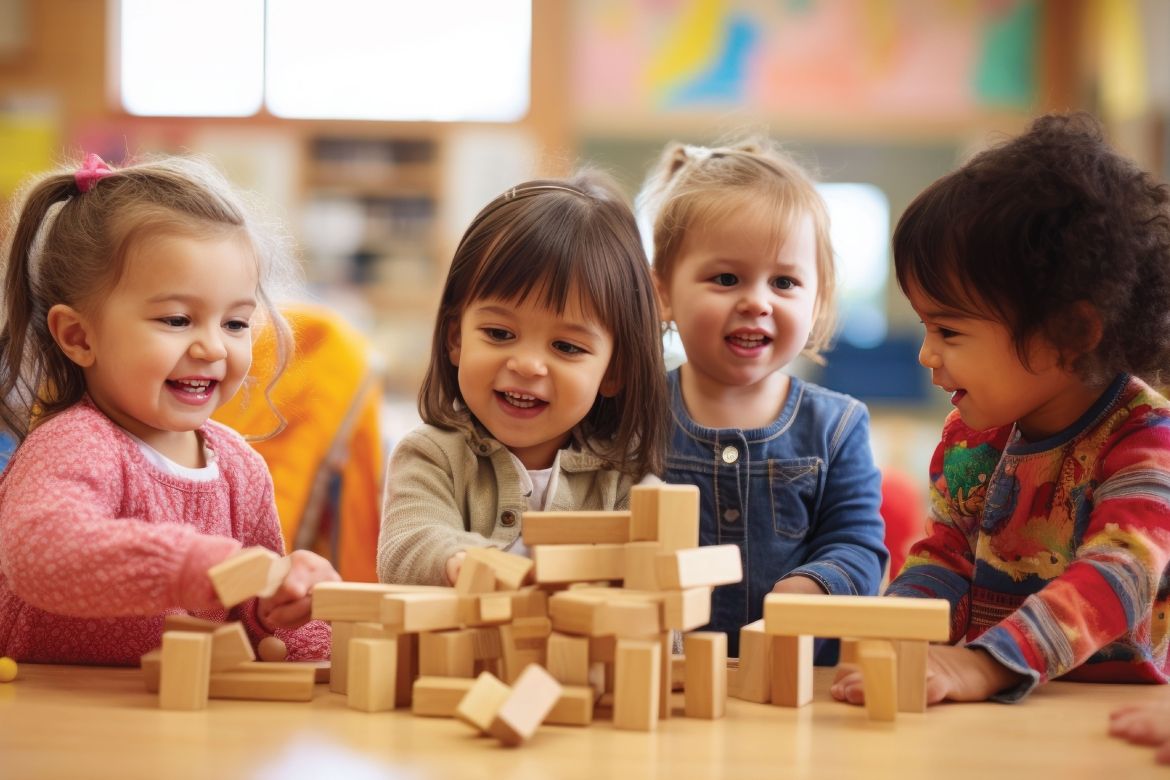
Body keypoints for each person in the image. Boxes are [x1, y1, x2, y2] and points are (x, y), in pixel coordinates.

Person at [832, 112, 1170, 707]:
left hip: (1115, 713)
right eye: (924, 325)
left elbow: (1120, 575)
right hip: (1004, 708)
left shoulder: (1146, 441)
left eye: (949, 330)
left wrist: (986, 665)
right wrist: (893, 628)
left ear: (1068, 331)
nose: (925, 353)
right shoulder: (974, 438)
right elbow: (947, 560)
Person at [0, 154, 338, 665]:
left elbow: (251, 614)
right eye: (178, 320)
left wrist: (288, 609)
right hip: (57, 721)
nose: (213, 348)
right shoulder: (75, 443)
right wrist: (200, 565)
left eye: (235, 323)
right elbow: (44, 556)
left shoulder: (240, 469)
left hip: (178, 726)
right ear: (78, 336)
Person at [638, 139, 888, 658]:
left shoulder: (837, 427)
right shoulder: (637, 415)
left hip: (796, 685)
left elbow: (860, 546)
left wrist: (816, 585)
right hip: (669, 685)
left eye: (784, 282)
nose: (757, 301)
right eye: (726, 278)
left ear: (817, 300)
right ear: (663, 293)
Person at [377, 172, 669, 586]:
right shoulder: (431, 455)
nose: (528, 365)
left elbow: (662, 613)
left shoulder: (628, 480)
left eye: (567, 347)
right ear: (455, 337)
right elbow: (407, 547)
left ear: (614, 371)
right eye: (499, 334)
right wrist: (464, 562)